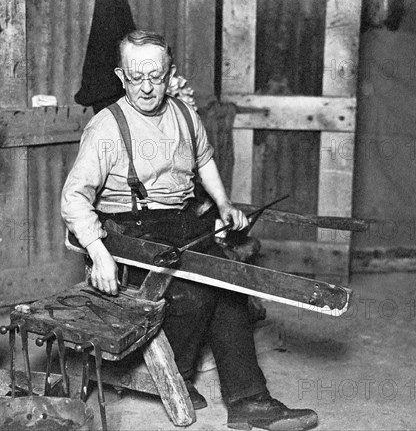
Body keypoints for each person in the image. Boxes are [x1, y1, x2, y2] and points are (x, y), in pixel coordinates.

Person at [61, 30, 318, 431]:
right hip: (131, 230)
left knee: (230, 282)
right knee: (194, 290)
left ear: (170, 73)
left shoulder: (183, 113)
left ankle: (249, 400)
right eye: (135, 77)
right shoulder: (106, 127)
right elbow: (74, 197)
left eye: (156, 76)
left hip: (181, 222)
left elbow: (205, 160)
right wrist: (98, 253)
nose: (146, 87)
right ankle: (174, 375)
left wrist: (224, 203)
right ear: (120, 75)